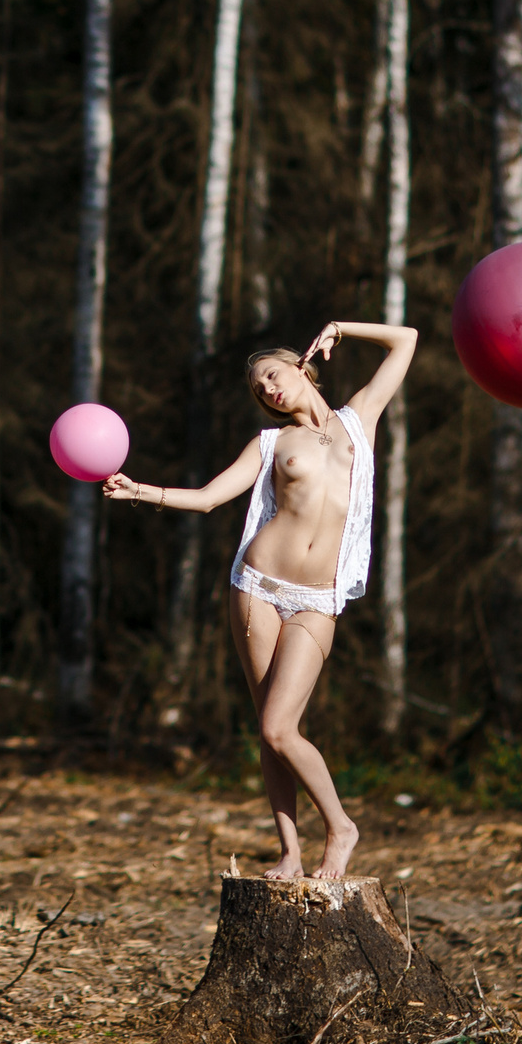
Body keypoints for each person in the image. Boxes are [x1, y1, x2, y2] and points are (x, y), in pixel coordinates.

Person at [103, 320, 418, 881]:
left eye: (272, 375)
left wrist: (342, 328)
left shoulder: (358, 419)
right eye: (259, 388)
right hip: (258, 587)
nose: (268, 390)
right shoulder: (271, 442)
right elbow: (206, 500)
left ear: (302, 365)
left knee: (281, 726)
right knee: (270, 729)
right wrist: (140, 491)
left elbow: (408, 338)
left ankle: (342, 828)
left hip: (318, 597)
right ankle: (291, 853)